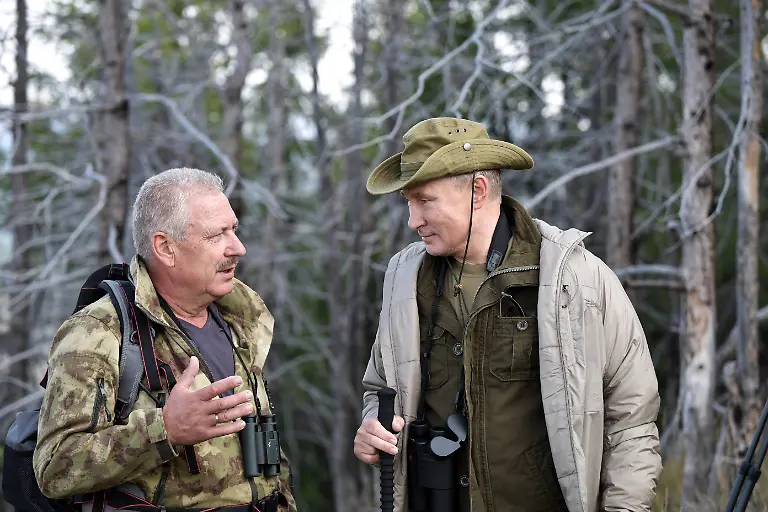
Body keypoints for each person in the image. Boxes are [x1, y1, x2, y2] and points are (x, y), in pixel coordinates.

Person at [353, 118, 662, 512]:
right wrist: (373, 428)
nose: (413, 220)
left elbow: (631, 419)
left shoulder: (574, 278)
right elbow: (379, 386)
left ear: (477, 191)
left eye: (425, 201)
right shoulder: (404, 280)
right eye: (408, 203)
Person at [33, 168, 297, 512]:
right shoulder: (99, 332)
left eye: (235, 230)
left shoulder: (240, 320)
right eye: (217, 236)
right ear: (166, 247)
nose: (239, 248)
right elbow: (54, 468)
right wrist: (165, 429)